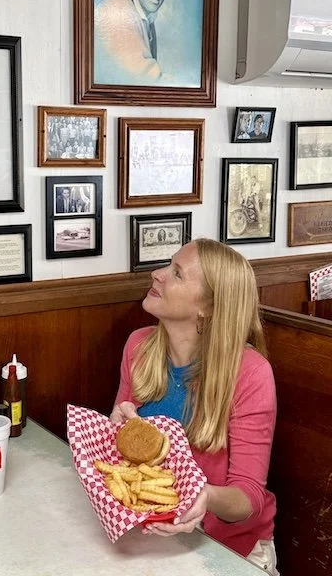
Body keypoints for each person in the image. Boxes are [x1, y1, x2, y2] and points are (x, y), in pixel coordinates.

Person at [110, 238, 278, 576]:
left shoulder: (252, 373)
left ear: (209, 306)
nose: (156, 274)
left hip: (231, 548)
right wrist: (114, 428)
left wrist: (205, 497)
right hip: (153, 538)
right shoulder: (138, 347)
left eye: (176, 273)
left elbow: (248, 498)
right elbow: (121, 460)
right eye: (166, 265)